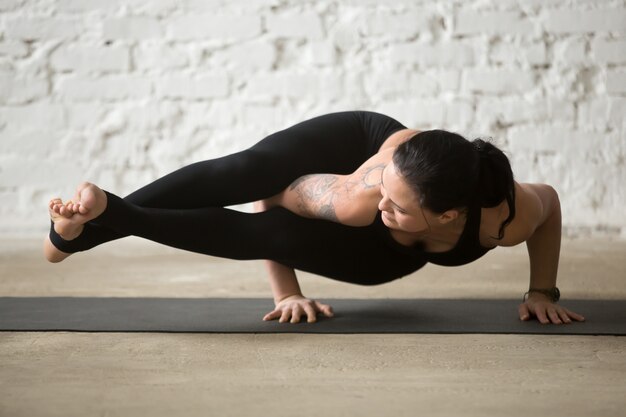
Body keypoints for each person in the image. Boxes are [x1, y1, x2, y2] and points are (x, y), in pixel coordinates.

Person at [44, 111, 585, 326]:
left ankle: (93, 222)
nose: (382, 206)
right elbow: (269, 194)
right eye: (385, 192)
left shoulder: (502, 218)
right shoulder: (361, 197)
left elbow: (551, 204)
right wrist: (286, 292)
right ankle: (95, 220)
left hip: (380, 248)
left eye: (396, 207)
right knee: (250, 170)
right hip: (347, 148)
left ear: (450, 215)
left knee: (347, 243)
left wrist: (543, 291)